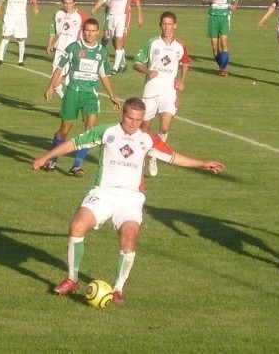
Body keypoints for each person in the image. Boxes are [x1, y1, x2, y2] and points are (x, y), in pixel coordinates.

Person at [32, 97, 225, 304]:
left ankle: (118, 289)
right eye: (130, 118)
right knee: (77, 226)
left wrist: (201, 164)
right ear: (122, 115)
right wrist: (46, 156)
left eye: (138, 120)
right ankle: (72, 279)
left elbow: (173, 156)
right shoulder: (107, 132)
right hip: (103, 193)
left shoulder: (148, 139)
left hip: (131, 198)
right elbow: (74, 143)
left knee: (129, 237)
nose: (134, 123)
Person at [42, 18, 120, 177]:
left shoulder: (101, 52)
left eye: (93, 31)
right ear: (82, 31)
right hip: (73, 92)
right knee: (64, 129)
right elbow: (59, 67)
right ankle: (53, 157)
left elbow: (104, 75)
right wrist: (51, 86)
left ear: (97, 32)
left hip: (91, 95)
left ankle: (76, 166)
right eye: (87, 30)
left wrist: (112, 95)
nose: (90, 34)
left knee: (89, 131)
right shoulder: (74, 47)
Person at [133, 11, 190, 177]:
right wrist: (147, 70)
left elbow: (185, 63)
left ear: (175, 26)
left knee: (165, 127)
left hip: (168, 93)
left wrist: (182, 80)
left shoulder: (180, 45)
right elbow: (136, 63)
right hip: (150, 91)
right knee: (144, 128)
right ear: (160, 25)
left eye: (170, 24)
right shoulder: (151, 43)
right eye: (164, 24)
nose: (166, 27)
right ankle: (142, 158)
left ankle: (153, 155)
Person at [91, 0, 144, 74]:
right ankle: (122, 62)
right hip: (110, 15)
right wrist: (96, 7)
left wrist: (139, 16)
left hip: (123, 16)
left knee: (119, 39)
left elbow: (137, 1)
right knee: (112, 39)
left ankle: (116, 67)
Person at [45, 0, 88, 98]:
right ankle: (66, 101)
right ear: (62, 3)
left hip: (74, 50)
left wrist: (84, 48)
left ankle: (70, 104)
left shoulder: (81, 15)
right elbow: (52, 29)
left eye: (70, 3)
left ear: (75, 3)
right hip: (60, 50)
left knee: (71, 80)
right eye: (65, 3)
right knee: (55, 81)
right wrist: (49, 43)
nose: (68, 6)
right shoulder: (58, 14)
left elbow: (88, 32)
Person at [200, 0, 239, 76]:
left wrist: (234, 6)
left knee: (224, 42)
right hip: (213, 17)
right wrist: (210, 0)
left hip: (225, 17)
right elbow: (202, 1)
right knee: (214, 46)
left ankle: (223, 68)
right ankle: (221, 66)